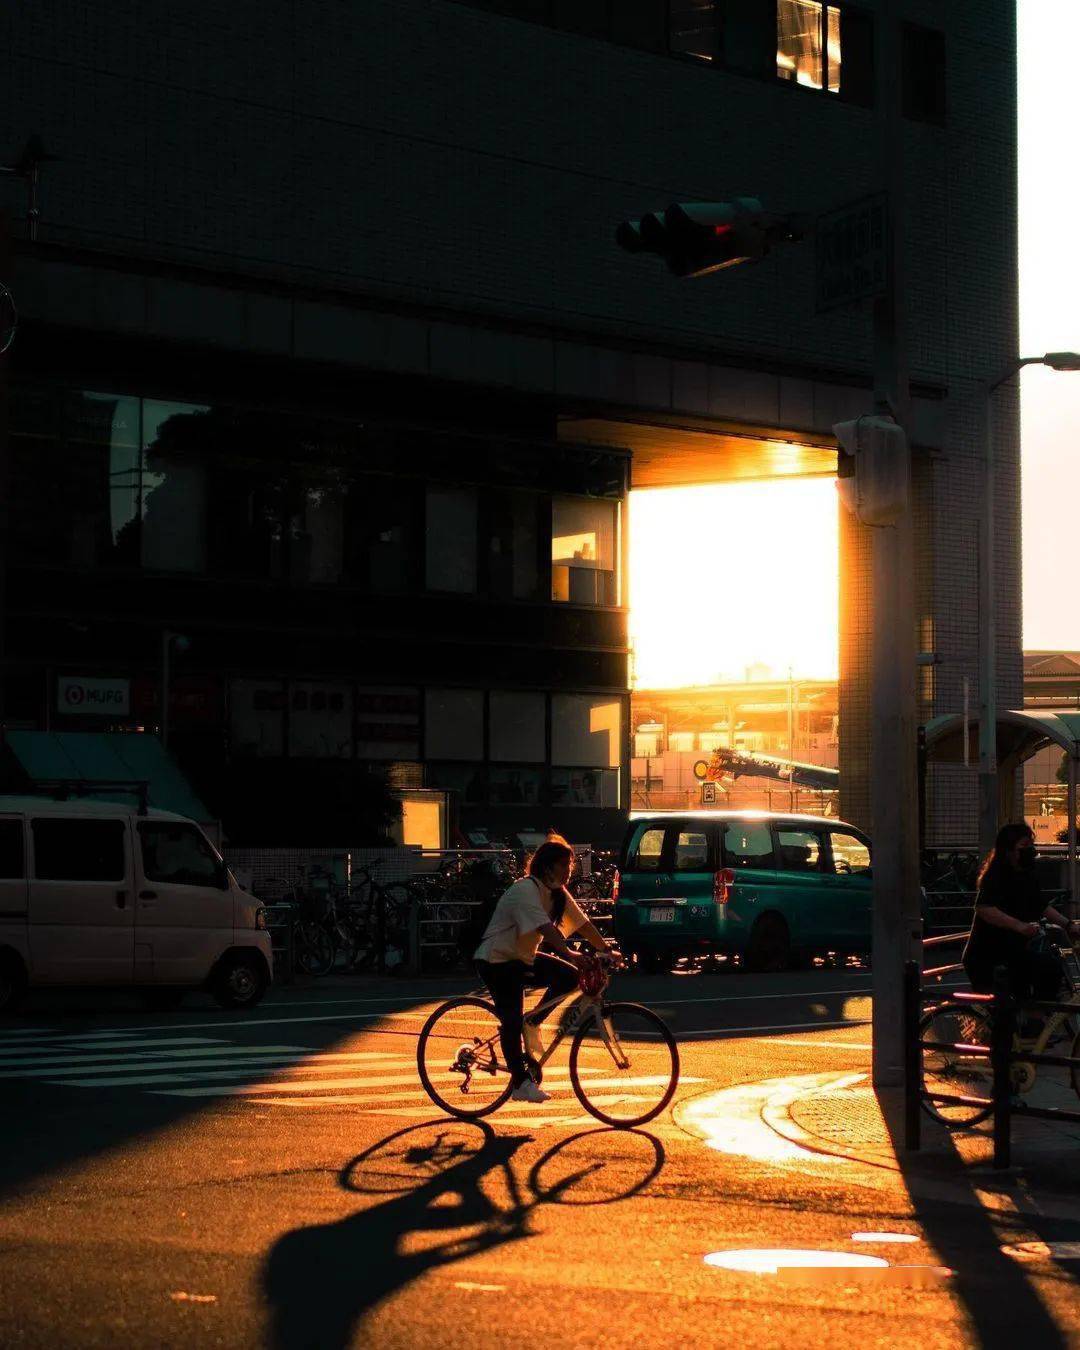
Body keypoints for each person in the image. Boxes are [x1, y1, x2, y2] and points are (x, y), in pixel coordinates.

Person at [473, 835, 613, 1104]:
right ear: (547, 867)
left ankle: (533, 1021)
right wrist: (569, 952)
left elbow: (582, 924)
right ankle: (520, 1083)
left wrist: (606, 949)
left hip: (522, 957)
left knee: (571, 977)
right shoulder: (525, 890)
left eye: (570, 864)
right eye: (563, 864)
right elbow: (544, 928)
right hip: (496, 960)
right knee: (511, 1020)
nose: (568, 870)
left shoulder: (557, 893)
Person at [962, 823, 1080, 1014]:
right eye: (1023, 846)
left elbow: (1041, 905)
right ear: (1008, 850)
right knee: (1005, 1015)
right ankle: (1019, 1030)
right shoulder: (996, 876)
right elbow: (984, 908)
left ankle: (1033, 1024)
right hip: (988, 956)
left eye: (1031, 845)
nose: (1029, 851)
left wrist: (1068, 925)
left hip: (1013, 951)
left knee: (1049, 970)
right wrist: (1019, 926)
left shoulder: (1027, 875)